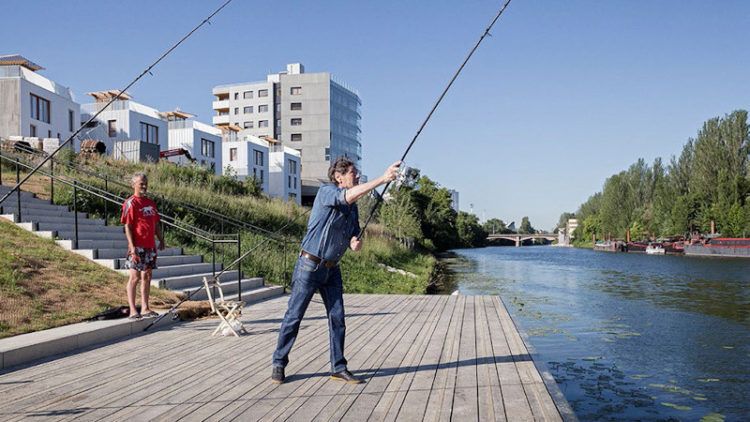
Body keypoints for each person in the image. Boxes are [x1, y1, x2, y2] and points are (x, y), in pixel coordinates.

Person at [271, 157, 401, 384]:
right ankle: (279, 363)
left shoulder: (353, 208)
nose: (357, 175)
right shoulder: (326, 192)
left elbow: (353, 231)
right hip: (309, 266)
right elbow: (347, 196)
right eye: (353, 172)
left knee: (338, 318)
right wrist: (383, 178)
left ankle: (338, 367)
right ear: (339, 177)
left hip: (332, 269)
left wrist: (354, 242)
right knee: (294, 316)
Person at [121, 172, 165, 319]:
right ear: (134, 185)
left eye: (146, 183)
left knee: (147, 276)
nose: (144, 186)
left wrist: (161, 240)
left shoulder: (151, 203)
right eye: (141, 183)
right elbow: (127, 226)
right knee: (134, 277)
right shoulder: (130, 203)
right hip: (137, 246)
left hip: (150, 245)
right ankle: (133, 310)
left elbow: (156, 224)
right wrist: (132, 246)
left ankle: (145, 307)